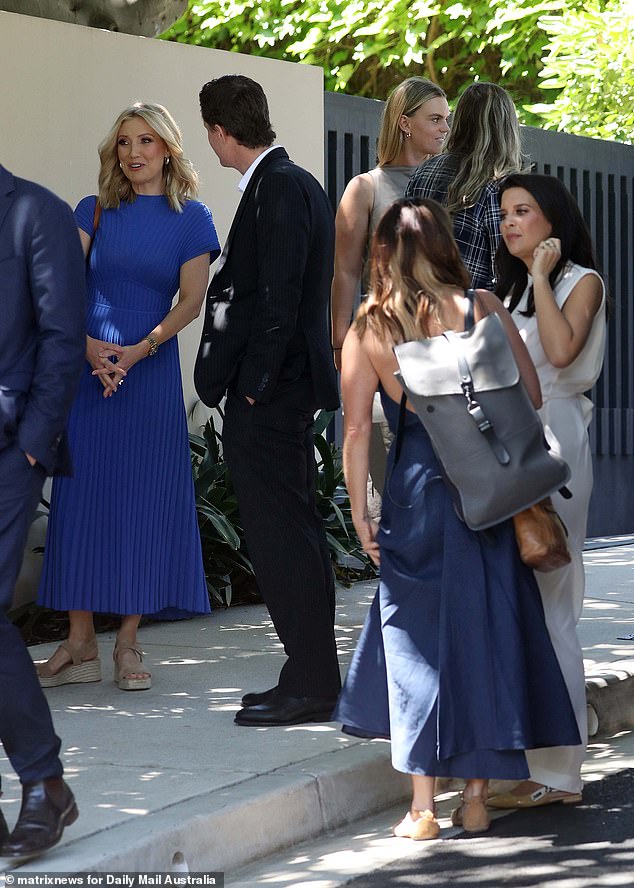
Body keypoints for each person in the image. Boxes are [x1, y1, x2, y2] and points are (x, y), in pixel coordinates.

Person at [333, 197, 581, 839]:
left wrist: (361, 510)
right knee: (485, 632)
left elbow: (358, 428)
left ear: (382, 253)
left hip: (417, 491)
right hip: (488, 494)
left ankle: (422, 809)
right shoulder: (485, 307)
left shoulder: (370, 327)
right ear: (444, 245)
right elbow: (529, 396)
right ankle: (475, 799)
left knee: (414, 642)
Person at [36, 103, 220, 691]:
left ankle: (130, 644)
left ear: (168, 149)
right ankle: (80, 642)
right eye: (123, 143)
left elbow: (192, 300)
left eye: (146, 141)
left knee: (141, 503)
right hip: (87, 374)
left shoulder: (193, 219)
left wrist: (141, 348)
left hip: (149, 373)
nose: (134, 152)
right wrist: (88, 347)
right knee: (80, 500)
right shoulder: (93, 211)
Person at [195, 75, 341, 727]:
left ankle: (311, 682)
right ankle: (306, 671)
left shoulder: (279, 186)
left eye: (210, 132)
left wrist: (251, 389)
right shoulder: (286, 182)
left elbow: (278, 300)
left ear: (220, 131)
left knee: (285, 539)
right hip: (278, 395)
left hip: (272, 399)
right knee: (292, 536)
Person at [488, 173, 606, 809]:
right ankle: (534, 758)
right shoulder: (514, 289)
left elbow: (559, 356)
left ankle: (559, 771)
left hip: (555, 444)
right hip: (515, 445)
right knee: (524, 606)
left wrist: (539, 275)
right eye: (504, 213)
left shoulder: (580, 281)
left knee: (554, 599)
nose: (510, 223)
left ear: (552, 219)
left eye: (523, 211)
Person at [0, 164, 85, 858]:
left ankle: (45, 782)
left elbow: (62, 336)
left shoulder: (35, 212)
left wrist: (34, 444)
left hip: (8, 450)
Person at [331, 77, 449, 495]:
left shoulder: (450, 187)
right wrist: (340, 347)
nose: (444, 128)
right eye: (434, 118)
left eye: (447, 120)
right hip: (385, 348)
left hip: (443, 351)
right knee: (388, 484)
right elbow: (344, 272)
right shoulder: (366, 188)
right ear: (404, 122)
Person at [405, 82, 524, 291]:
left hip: (417, 310)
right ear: (507, 128)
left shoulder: (423, 173)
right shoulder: (498, 186)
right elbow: (507, 274)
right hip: (472, 316)